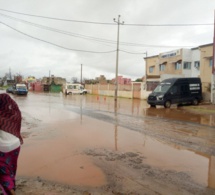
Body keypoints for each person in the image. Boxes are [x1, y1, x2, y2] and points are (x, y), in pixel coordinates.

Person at [0, 93, 23, 195]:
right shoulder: (16, 113)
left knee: (3, 173)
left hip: (3, 148)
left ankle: (10, 191)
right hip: (16, 145)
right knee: (12, 167)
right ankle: (12, 185)